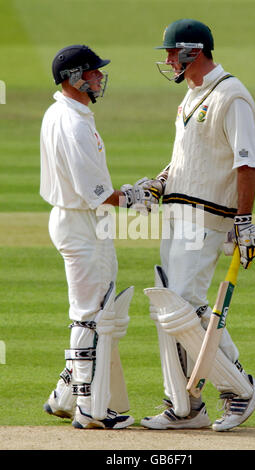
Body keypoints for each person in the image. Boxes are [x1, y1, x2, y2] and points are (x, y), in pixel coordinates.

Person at [138, 19, 255, 431]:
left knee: (184, 309)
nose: (169, 59)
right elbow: (185, 158)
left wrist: (243, 220)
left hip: (207, 217)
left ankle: (241, 389)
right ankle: (185, 406)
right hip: (177, 216)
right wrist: (160, 183)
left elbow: (246, 162)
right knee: (173, 310)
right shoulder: (191, 97)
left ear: (195, 51)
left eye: (173, 52)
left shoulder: (232, 95)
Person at [40, 44, 158, 429]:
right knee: (91, 316)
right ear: (74, 78)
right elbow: (96, 192)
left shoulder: (62, 111)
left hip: (78, 219)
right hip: (82, 222)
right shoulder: (73, 123)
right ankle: (91, 409)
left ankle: (66, 394)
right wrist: (135, 197)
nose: (99, 78)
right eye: (93, 73)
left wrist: (125, 193)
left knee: (95, 310)